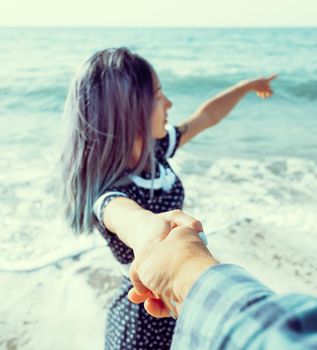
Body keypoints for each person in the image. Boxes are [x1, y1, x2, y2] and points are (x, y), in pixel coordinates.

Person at [60, 47, 276, 350]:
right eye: (159, 96)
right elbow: (127, 217)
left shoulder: (156, 149)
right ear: (129, 109)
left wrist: (248, 86)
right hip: (144, 324)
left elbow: (207, 116)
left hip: (178, 303)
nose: (169, 103)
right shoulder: (108, 194)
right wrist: (151, 231)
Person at [127, 211, 317, 350]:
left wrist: (184, 273)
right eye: (154, 98)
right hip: (151, 303)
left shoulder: (163, 146)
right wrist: (182, 267)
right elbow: (110, 205)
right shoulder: (116, 174)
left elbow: (208, 117)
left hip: (182, 308)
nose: (167, 101)